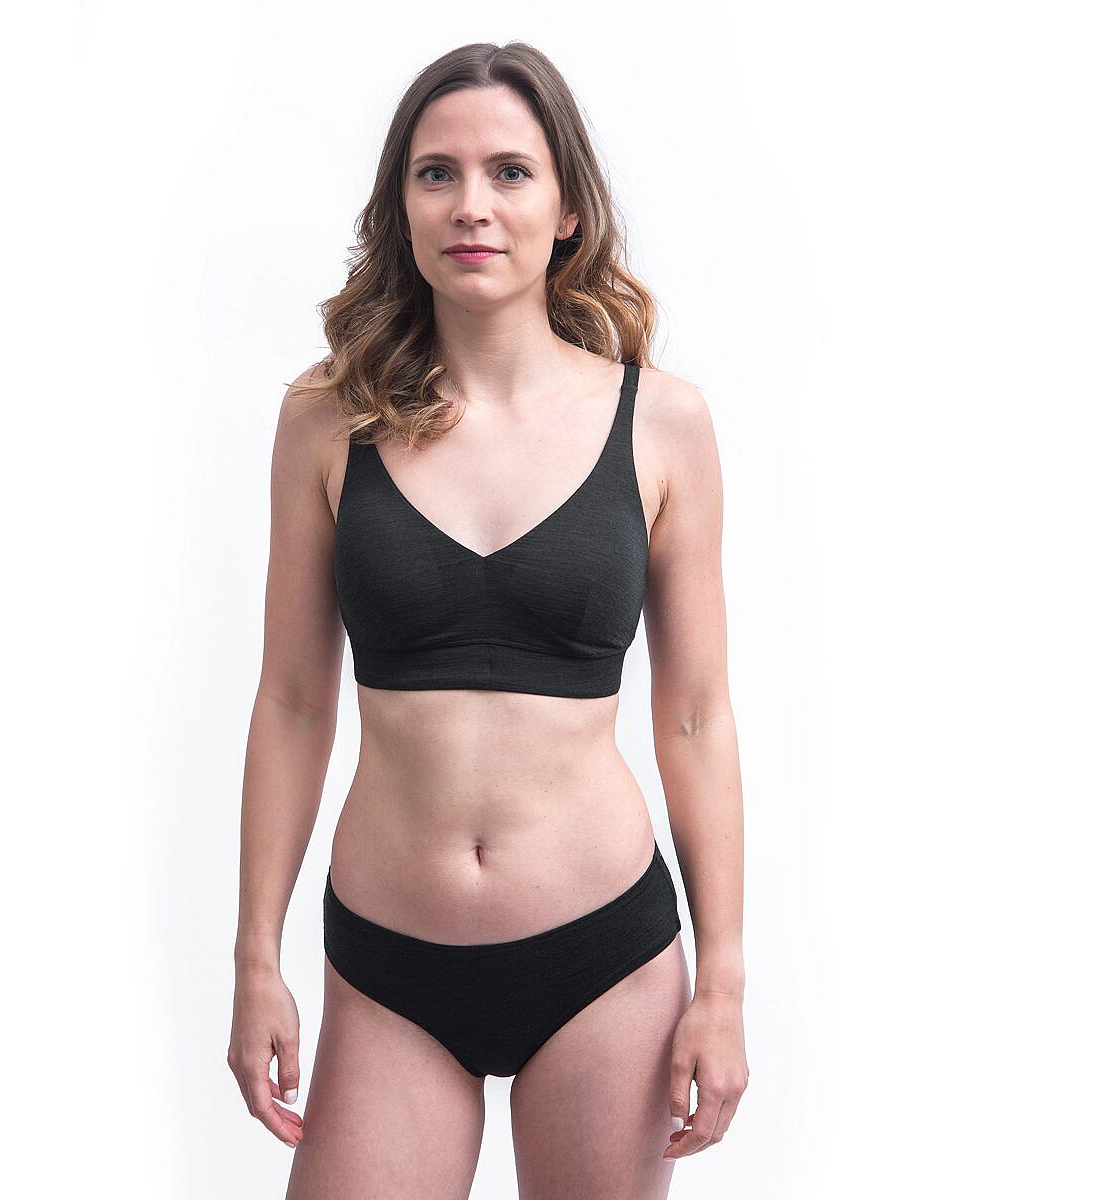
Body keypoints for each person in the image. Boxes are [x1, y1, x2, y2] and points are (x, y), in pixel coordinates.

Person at [227, 41, 748, 1200]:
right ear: (402, 207)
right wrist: (256, 957)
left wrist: (722, 982)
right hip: (387, 969)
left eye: (510, 172)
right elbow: (294, 699)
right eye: (437, 174)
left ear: (567, 210)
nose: (472, 204)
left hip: (606, 960)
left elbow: (698, 717)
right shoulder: (326, 420)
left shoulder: (662, 425)